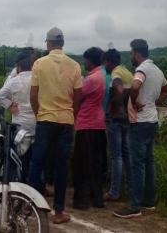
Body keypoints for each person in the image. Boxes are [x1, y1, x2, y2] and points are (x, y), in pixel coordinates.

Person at [28, 27, 82, 224]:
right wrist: (71, 115)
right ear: (63, 44)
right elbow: (78, 97)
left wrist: (39, 114)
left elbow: (33, 95)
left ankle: (30, 204)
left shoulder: (39, 64)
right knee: (61, 166)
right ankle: (58, 212)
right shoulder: (75, 65)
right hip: (65, 121)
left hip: (45, 119)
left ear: (49, 44)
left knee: (37, 162)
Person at [114, 39, 167, 219]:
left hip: (139, 122)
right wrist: (154, 102)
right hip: (152, 120)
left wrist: (136, 100)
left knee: (137, 164)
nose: (131, 56)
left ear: (137, 53)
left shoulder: (142, 69)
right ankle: (149, 201)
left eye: (131, 53)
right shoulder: (158, 70)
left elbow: (135, 86)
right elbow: (166, 89)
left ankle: (134, 205)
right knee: (149, 161)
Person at [72, 47, 107, 210]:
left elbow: (75, 95)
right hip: (98, 123)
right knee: (96, 164)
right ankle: (97, 198)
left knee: (82, 164)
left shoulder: (91, 79)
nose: (85, 62)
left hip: (87, 125)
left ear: (91, 61)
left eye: (86, 60)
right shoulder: (102, 75)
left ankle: (82, 199)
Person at [0, 52, 35, 182]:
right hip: (36, 123)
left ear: (18, 67)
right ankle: (33, 185)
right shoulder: (37, 80)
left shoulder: (13, 81)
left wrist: (10, 104)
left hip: (19, 125)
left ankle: (17, 182)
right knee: (34, 157)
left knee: (18, 156)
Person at [103, 49, 133, 202]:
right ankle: (129, 188)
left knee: (116, 156)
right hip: (127, 119)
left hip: (115, 119)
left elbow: (118, 89)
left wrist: (115, 105)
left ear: (109, 62)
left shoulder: (116, 73)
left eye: (105, 63)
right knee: (127, 155)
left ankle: (114, 192)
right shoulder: (128, 72)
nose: (105, 66)